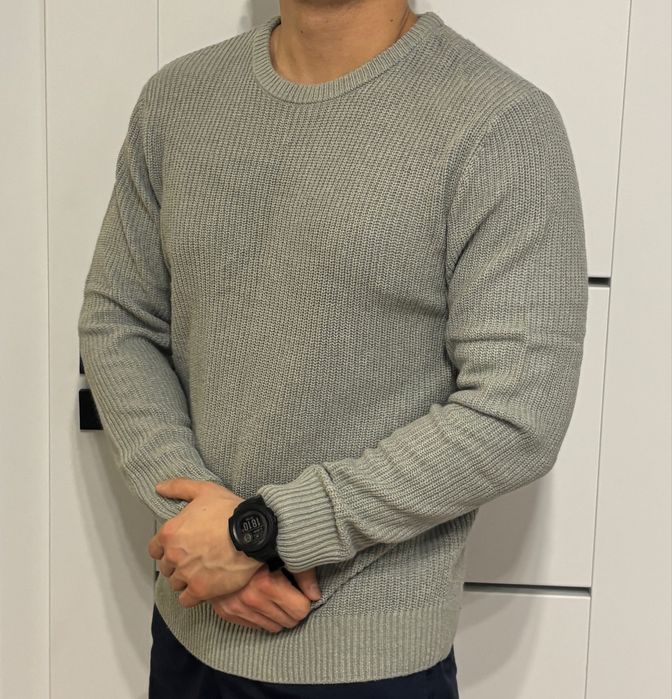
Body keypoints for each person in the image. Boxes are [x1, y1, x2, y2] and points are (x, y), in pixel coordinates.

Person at [77, 0, 588, 696]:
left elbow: (516, 415)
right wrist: (195, 525)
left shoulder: (501, 124)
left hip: (369, 662)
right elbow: (120, 321)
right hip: (191, 631)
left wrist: (261, 533)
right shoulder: (178, 100)